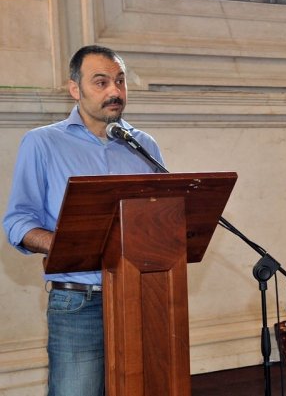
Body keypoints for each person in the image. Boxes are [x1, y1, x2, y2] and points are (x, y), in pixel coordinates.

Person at [3, 45, 165, 396]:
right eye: (101, 82)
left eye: (120, 81)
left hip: (140, 298)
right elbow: (18, 221)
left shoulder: (144, 145)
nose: (115, 92)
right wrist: (65, 244)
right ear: (74, 89)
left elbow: (162, 216)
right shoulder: (42, 142)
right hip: (79, 303)